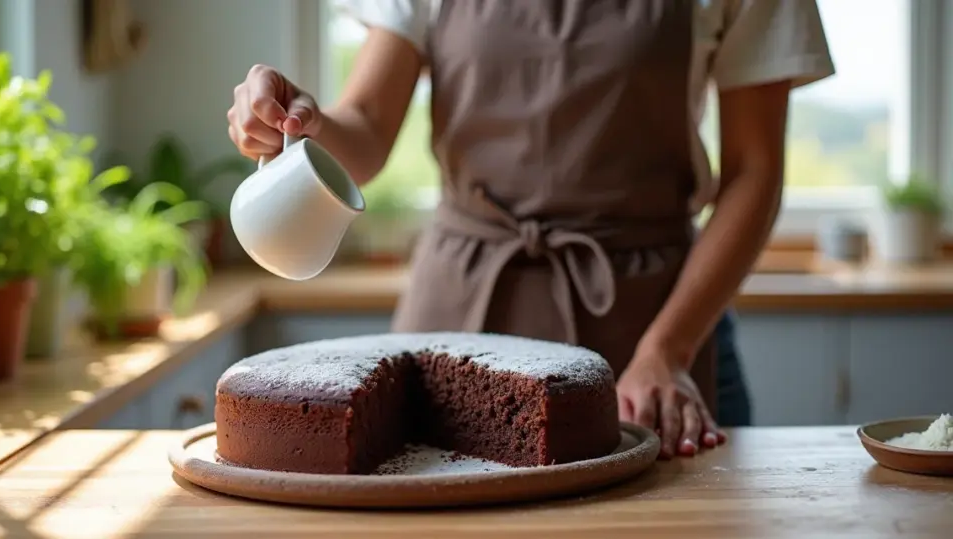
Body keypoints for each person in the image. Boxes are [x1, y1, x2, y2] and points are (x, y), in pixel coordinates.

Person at [227, 0, 834, 459]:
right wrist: (299, 122)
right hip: (458, 314)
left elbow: (754, 172)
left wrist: (666, 352)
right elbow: (363, 131)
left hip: (657, 324)